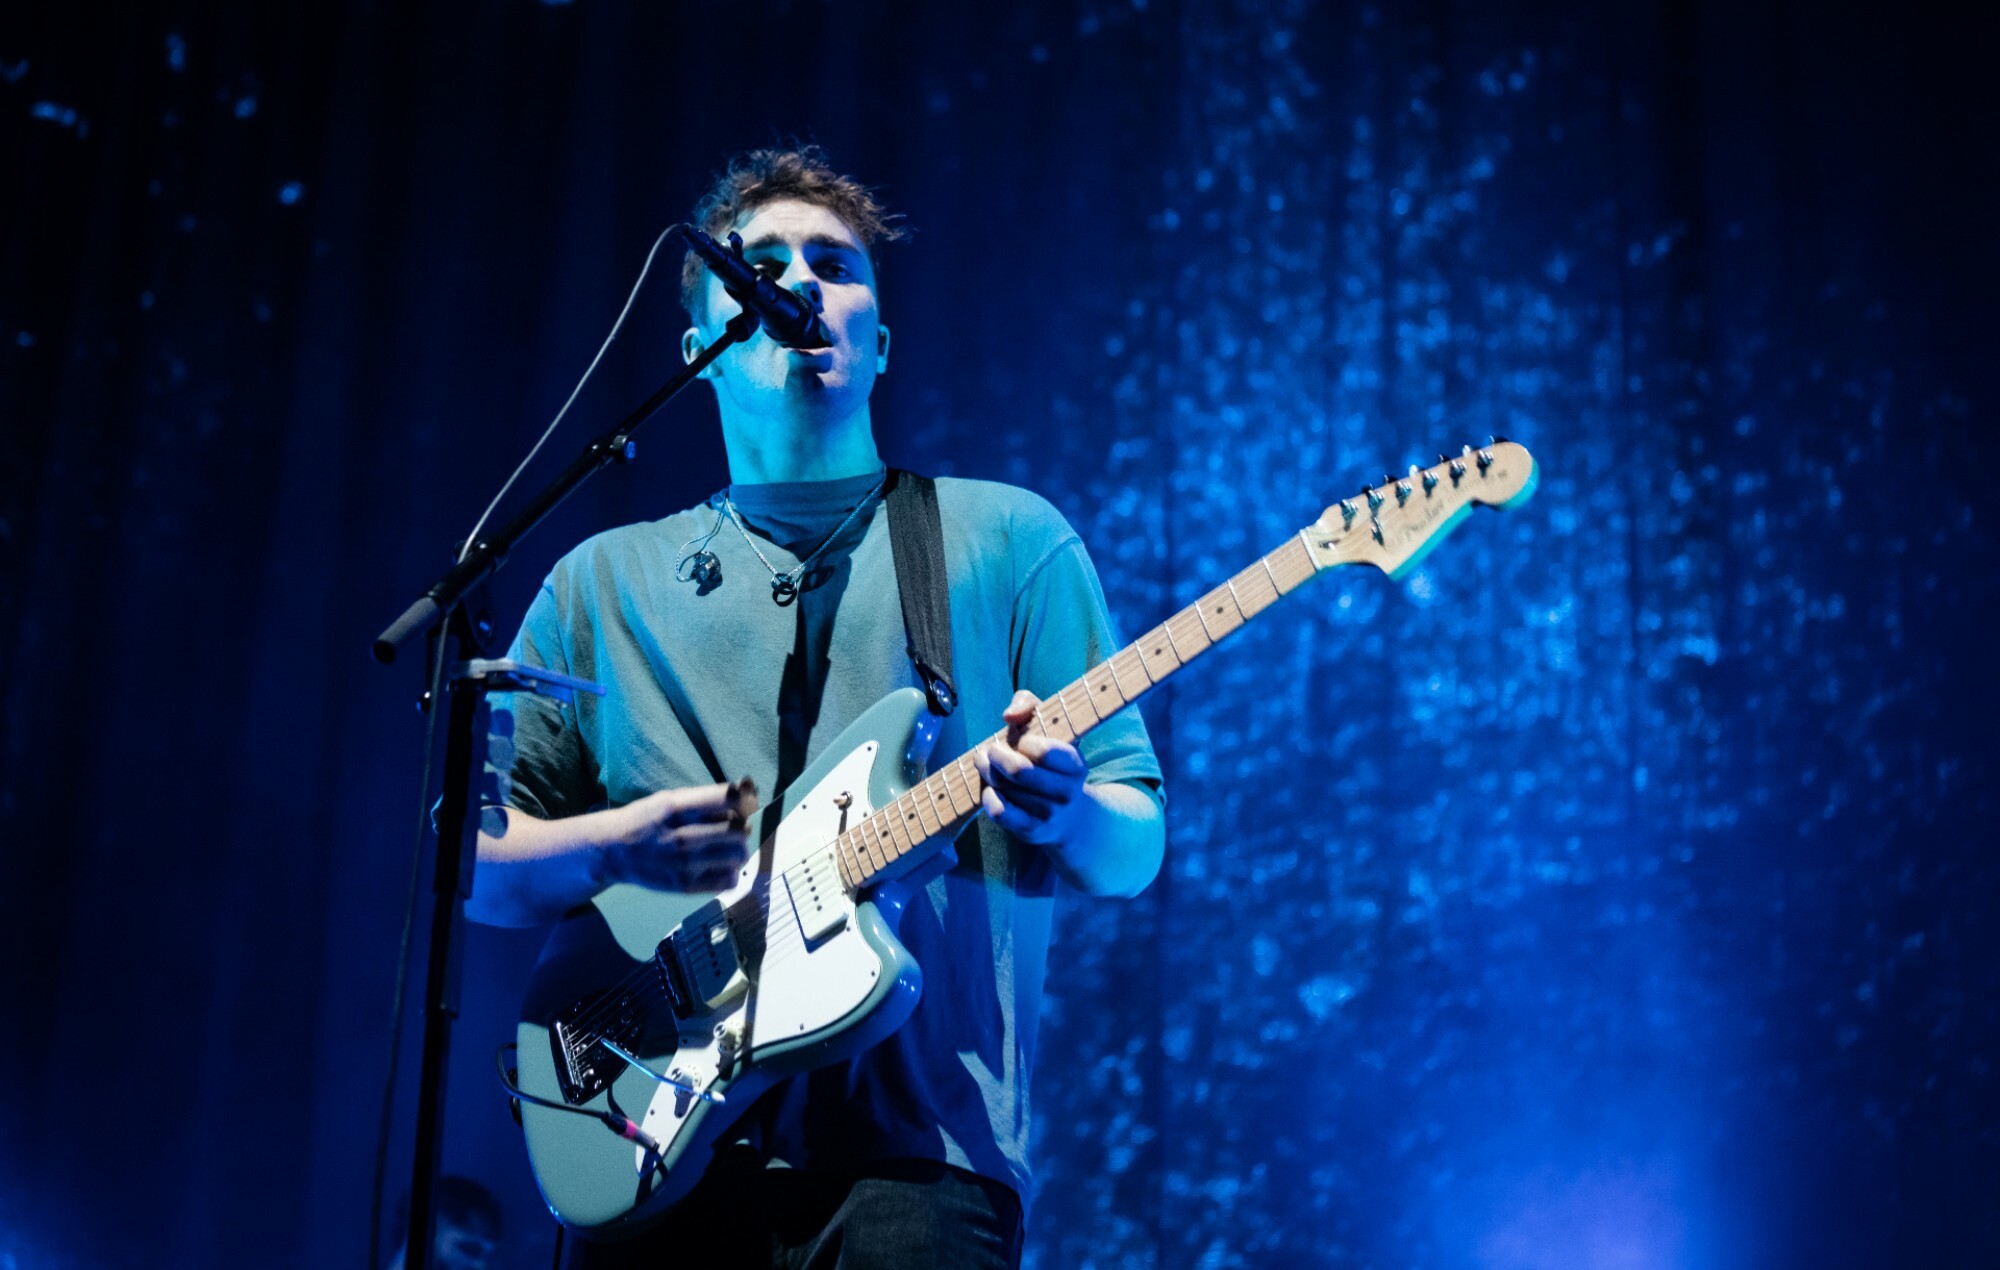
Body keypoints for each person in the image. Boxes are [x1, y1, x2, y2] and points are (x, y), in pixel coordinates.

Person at [469, 145, 1164, 1268]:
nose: (799, 282)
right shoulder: (599, 582)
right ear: (702, 349)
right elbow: (480, 872)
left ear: (877, 343)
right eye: (765, 263)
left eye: (834, 265)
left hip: (917, 1161)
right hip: (651, 1146)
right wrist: (617, 846)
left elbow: (1134, 845)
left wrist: (1065, 811)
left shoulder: (1007, 540)